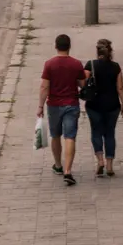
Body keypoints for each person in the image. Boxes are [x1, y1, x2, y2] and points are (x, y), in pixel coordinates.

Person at [37, 34, 86, 186]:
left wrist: (40, 106)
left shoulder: (49, 64)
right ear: (69, 46)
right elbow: (82, 84)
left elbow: (45, 86)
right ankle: (68, 171)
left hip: (54, 105)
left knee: (55, 135)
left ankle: (58, 165)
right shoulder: (77, 64)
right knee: (70, 137)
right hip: (71, 104)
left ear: (56, 46)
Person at [83, 39, 123, 177]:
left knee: (96, 132)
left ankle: (100, 161)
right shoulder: (116, 67)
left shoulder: (90, 65)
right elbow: (120, 87)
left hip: (94, 105)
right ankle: (109, 165)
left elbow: (83, 83)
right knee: (109, 133)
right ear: (110, 51)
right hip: (112, 105)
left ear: (97, 51)